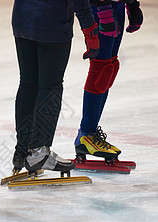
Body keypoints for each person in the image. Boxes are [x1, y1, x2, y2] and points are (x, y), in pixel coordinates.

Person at [11, 0, 100, 175]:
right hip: (52, 23)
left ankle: (23, 151)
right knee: (50, 86)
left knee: (28, 84)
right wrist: (89, 27)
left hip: (22, 19)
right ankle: (38, 151)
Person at [74, 0, 143, 162]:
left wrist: (132, 4)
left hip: (116, 6)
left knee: (110, 67)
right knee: (100, 69)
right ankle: (86, 133)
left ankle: (90, 132)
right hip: (99, 8)